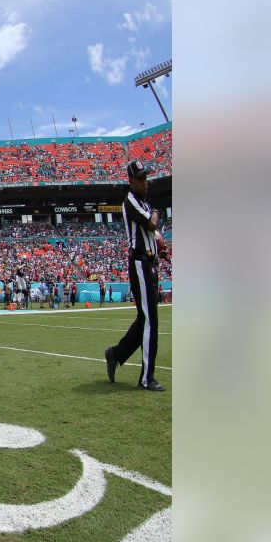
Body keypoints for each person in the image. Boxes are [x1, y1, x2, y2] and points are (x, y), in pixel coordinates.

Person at [105, 160, 166, 391]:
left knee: (144, 319)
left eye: (145, 177)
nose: (144, 181)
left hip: (149, 261)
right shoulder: (130, 200)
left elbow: (154, 230)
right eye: (140, 178)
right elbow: (151, 224)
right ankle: (146, 378)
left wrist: (161, 246)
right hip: (140, 261)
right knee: (151, 321)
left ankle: (116, 354)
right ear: (130, 180)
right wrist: (158, 213)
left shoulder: (143, 200)